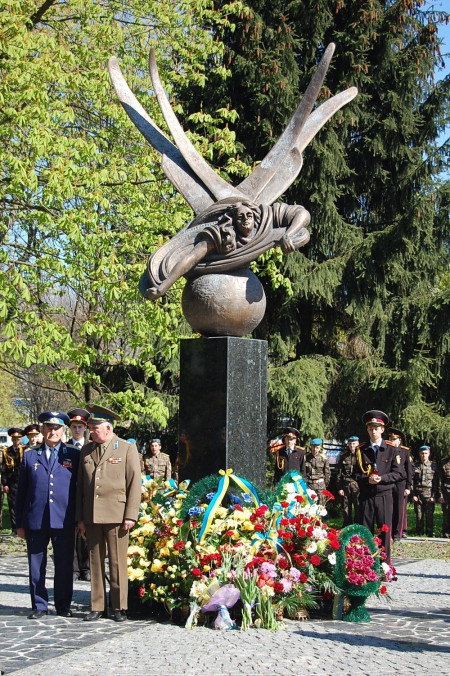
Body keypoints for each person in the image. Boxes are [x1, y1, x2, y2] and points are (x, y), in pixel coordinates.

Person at [76, 405, 141, 622]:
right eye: (90, 428)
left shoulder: (126, 449)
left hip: (117, 515)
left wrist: (130, 515)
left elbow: (134, 484)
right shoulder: (87, 450)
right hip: (92, 515)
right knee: (95, 561)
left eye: (94, 428)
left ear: (108, 428)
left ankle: (119, 606)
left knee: (117, 562)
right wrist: (80, 518)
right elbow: (80, 487)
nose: (91, 432)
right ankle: (97, 605)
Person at [15, 411, 80, 618]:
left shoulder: (73, 455)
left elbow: (80, 489)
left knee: (64, 564)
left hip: (64, 519)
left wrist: (79, 518)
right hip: (36, 519)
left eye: (57, 428)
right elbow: (21, 492)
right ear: (43, 430)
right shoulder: (30, 455)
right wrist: (19, 523)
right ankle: (39, 605)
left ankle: (63, 605)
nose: (53, 432)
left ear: (63, 431)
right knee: (36, 565)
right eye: (49, 428)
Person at [355, 410, 404, 564]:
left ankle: (385, 566)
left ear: (382, 430)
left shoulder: (391, 449)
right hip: (367, 496)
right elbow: (356, 474)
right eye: (370, 428)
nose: (373, 432)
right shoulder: (361, 449)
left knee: (385, 531)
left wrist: (382, 479)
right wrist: (367, 479)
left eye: (376, 428)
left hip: (384, 495)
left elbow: (399, 473)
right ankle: (365, 565)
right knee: (365, 531)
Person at [67, 408, 91, 582]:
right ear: (70, 428)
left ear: (85, 428)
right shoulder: (65, 447)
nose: (77, 430)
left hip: (87, 495)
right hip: (70, 495)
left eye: (80, 427)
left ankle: (87, 567)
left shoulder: (91, 446)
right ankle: (74, 568)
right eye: (74, 427)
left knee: (88, 532)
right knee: (72, 533)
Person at [387, 427, 413, 541]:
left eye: (394, 439)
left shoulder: (404, 451)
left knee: (399, 508)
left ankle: (398, 533)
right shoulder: (387, 450)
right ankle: (389, 532)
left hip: (401, 483)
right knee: (389, 508)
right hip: (389, 481)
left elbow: (409, 470)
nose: (392, 441)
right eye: (390, 438)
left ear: (399, 440)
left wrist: (408, 486)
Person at [412, 445, 440, 537]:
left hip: (429, 493)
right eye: (422, 453)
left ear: (429, 454)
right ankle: (419, 533)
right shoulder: (415, 466)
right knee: (419, 515)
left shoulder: (433, 466)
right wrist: (413, 495)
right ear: (419, 454)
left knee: (429, 516)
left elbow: (436, 482)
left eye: (426, 453)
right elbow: (412, 482)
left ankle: (430, 534)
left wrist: (434, 496)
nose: (424, 455)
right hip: (418, 493)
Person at [1, 428, 25, 533]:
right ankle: (15, 528)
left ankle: (24, 527)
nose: (16, 440)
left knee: (24, 504)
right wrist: (5, 484)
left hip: (23, 481)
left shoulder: (25, 450)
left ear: (21, 439)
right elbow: (4, 469)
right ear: (11, 439)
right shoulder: (7, 451)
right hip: (11, 482)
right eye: (14, 438)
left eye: (18, 438)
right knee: (12, 505)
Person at [337, 436, 360, 526]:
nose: (352, 445)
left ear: (358, 444)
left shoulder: (360, 455)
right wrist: (340, 487)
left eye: (354, 443)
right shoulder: (343, 456)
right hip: (346, 485)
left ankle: (357, 528)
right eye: (350, 444)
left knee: (358, 507)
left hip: (357, 485)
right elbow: (339, 473)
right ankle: (347, 527)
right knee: (346, 508)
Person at [305, 438, 330, 504]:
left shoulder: (323, 458)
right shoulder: (305, 458)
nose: (315, 449)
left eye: (317, 447)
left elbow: (327, 474)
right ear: (311, 446)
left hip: (320, 487)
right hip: (309, 486)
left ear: (320, 448)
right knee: (309, 506)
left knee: (321, 506)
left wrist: (324, 484)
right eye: (313, 447)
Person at [440, 445, 450, 538]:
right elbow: (440, 480)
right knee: (446, 512)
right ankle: (446, 533)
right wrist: (441, 494)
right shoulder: (444, 462)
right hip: (446, 491)